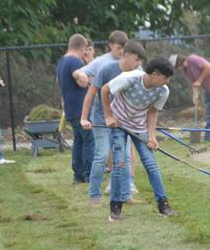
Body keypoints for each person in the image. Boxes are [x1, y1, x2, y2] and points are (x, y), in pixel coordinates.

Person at [101, 57, 175, 221]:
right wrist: (108, 116)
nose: (167, 82)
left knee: (151, 164)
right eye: (165, 78)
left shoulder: (163, 91)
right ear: (154, 74)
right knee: (119, 165)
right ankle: (115, 207)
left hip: (139, 127)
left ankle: (163, 205)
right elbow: (105, 90)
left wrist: (151, 136)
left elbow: (152, 112)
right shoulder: (130, 78)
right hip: (118, 125)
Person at [81, 41, 147, 207]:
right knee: (102, 155)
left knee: (123, 157)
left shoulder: (138, 72)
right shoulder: (107, 69)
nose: (139, 64)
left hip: (121, 122)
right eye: (137, 59)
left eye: (141, 61)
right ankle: (94, 196)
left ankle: (126, 195)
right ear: (126, 55)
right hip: (102, 120)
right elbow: (91, 94)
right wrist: (84, 117)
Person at [169, 53, 210, 142]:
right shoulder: (185, 71)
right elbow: (195, 84)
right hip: (208, 90)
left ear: (179, 62)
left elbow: (208, 67)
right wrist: (195, 96)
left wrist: (200, 81)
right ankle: (208, 138)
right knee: (209, 114)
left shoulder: (192, 59)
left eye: (177, 67)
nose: (178, 69)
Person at [56, 33, 94, 184]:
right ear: (81, 48)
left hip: (70, 109)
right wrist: (83, 74)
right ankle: (90, 174)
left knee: (78, 141)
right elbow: (80, 81)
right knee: (89, 141)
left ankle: (78, 175)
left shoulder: (62, 61)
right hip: (81, 108)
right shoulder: (74, 61)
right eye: (85, 50)